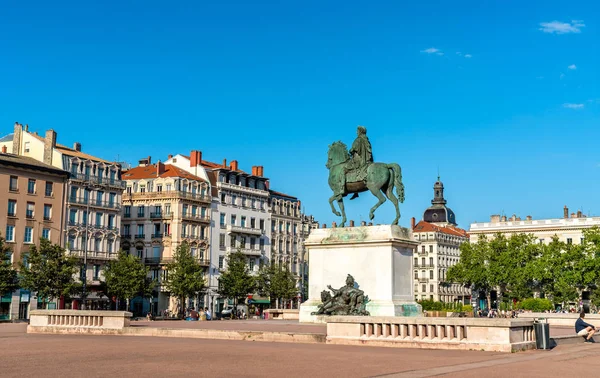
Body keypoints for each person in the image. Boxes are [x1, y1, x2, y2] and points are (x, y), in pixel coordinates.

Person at [347, 126, 374, 199]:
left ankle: (342, 189)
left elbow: (354, 149)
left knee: (344, 169)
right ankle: (356, 192)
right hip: (367, 160)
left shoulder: (358, 139)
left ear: (360, 131)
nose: (356, 132)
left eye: (357, 131)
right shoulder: (366, 140)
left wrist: (350, 151)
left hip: (359, 160)